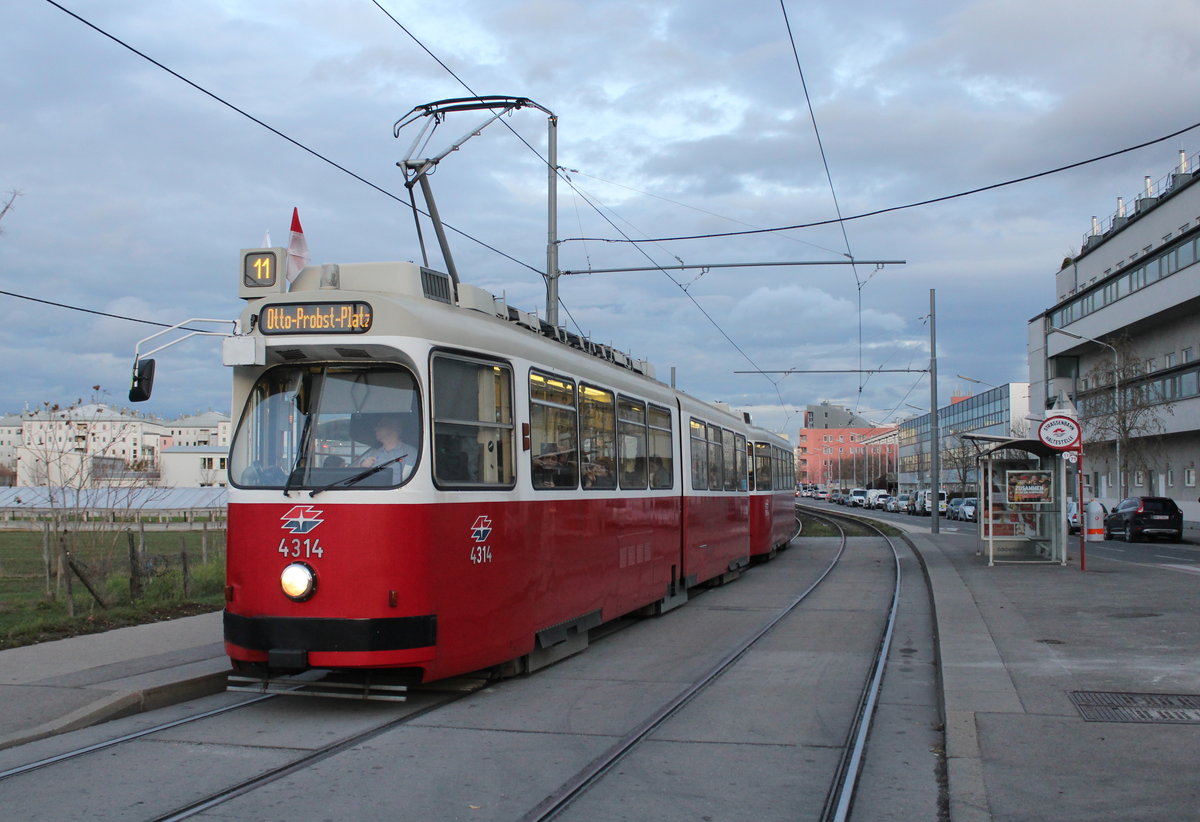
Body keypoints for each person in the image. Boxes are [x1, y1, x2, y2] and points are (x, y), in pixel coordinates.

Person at [355, 415, 415, 482]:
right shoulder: (372, 452)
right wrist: (361, 466)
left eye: (380, 425)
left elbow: (411, 481)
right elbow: (349, 472)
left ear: (394, 428)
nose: (375, 429)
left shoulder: (410, 453)